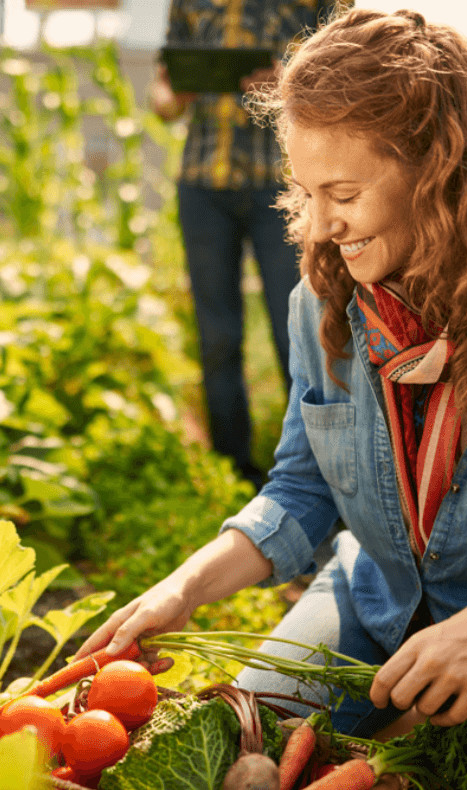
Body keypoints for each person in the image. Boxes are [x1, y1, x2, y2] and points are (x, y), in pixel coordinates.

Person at [79, 8, 467, 790]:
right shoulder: (321, 302)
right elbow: (301, 490)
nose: (320, 227)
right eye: (305, 192)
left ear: (443, 172)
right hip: (376, 595)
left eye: (344, 193)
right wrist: (183, 588)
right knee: (250, 735)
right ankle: (409, 713)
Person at [150, 0, 341, 486]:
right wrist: (180, 90)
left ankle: (314, 467)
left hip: (284, 187)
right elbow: (163, 98)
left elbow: (348, 84)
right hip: (203, 185)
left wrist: (286, 87)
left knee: (297, 328)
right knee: (217, 336)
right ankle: (234, 466)